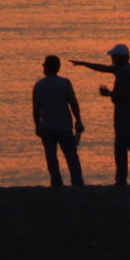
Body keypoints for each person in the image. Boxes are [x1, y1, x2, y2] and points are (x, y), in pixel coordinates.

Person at [70, 44, 130, 186]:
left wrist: (109, 93)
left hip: (126, 115)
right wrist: (84, 64)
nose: (111, 58)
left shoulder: (123, 72)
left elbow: (125, 95)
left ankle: (122, 180)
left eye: (113, 56)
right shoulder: (126, 68)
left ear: (118, 57)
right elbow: (103, 68)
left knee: (122, 148)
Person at [32, 55, 86, 187]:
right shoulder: (64, 83)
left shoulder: (39, 85)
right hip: (63, 126)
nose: (43, 67)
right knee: (71, 156)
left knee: (51, 157)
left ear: (47, 67)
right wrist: (78, 120)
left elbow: (36, 109)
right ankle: (77, 181)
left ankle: (56, 182)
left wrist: (37, 126)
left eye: (44, 65)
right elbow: (73, 103)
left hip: (47, 126)